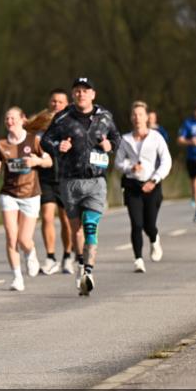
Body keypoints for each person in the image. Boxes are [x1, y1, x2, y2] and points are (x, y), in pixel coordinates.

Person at [40, 77, 121, 296]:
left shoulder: (104, 117)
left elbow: (117, 138)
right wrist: (58, 146)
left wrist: (110, 144)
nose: (81, 94)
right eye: (77, 90)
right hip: (70, 181)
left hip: (96, 181)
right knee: (76, 230)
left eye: (85, 91)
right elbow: (45, 141)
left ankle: (88, 271)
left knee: (90, 226)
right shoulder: (63, 117)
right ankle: (80, 263)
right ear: (73, 94)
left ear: (93, 94)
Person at [0, 107, 52, 291]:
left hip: (31, 194)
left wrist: (37, 161)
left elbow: (49, 161)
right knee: (11, 237)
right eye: (7, 119)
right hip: (8, 194)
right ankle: (17, 277)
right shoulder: (0, 145)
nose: (9, 122)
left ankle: (30, 252)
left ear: (22, 119)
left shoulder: (33, 141)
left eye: (13, 118)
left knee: (24, 239)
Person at [116, 101, 173, 272]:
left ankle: (154, 240)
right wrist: (130, 167)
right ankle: (138, 260)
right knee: (136, 223)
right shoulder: (125, 139)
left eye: (140, 114)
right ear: (131, 118)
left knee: (149, 225)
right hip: (132, 185)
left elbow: (166, 161)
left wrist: (154, 180)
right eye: (134, 115)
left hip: (152, 185)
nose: (137, 118)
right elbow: (118, 162)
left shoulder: (156, 137)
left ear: (147, 117)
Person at [27, 88, 74, 275]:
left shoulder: (72, 126)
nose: (56, 104)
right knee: (47, 217)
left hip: (66, 178)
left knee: (66, 219)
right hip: (45, 177)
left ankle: (68, 256)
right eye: (54, 101)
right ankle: (50, 257)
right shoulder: (40, 126)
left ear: (67, 105)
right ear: (49, 103)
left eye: (61, 102)